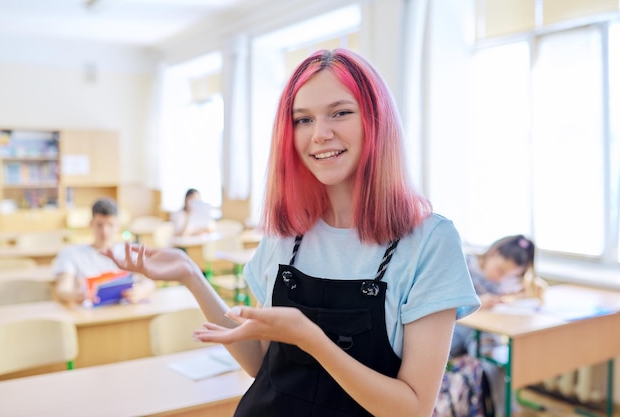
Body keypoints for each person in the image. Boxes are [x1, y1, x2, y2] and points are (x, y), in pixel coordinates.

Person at [106, 48, 481, 417]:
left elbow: (412, 409)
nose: (320, 133)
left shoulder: (429, 241)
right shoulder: (287, 233)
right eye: (303, 119)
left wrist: (312, 339)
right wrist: (191, 275)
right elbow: (261, 365)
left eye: (340, 113)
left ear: (376, 120)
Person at [449, 234, 546, 415]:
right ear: (493, 253)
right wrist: (478, 301)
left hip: (482, 333)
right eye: (501, 271)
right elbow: (445, 303)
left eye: (511, 276)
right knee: (488, 359)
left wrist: (517, 294)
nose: (501, 279)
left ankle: (505, 410)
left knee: (498, 363)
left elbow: (508, 298)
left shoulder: (504, 282)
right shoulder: (463, 265)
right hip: (455, 330)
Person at [53, 198, 155, 306]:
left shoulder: (130, 251)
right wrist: (75, 294)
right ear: (91, 224)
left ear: (118, 225)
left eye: (110, 225)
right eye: (99, 225)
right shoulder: (70, 254)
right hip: (89, 314)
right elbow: (62, 289)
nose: (105, 231)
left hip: (125, 310)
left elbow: (149, 282)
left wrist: (142, 291)